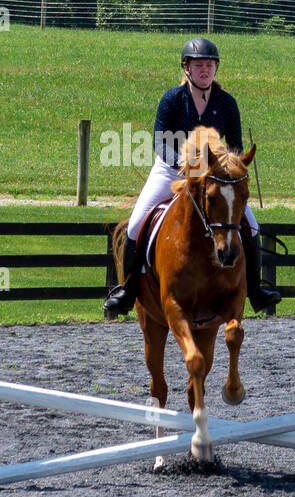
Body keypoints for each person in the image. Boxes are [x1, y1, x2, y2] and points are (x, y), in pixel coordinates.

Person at [104, 37, 282, 316]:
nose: (205, 70)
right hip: (170, 170)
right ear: (186, 68)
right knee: (136, 223)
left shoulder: (226, 103)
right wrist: (184, 164)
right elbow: (160, 141)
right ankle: (127, 291)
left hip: (214, 178)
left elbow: (234, 146)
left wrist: (228, 169)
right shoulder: (172, 99)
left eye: (210, 65)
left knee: (252, 226)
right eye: (199, 65)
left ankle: (256, 290)